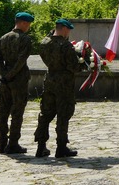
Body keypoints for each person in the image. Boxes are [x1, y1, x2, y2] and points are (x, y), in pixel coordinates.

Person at [34, 18, 84, 158]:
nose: (69, 33)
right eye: (68, 29)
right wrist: (84, 63)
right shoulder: (65, 46)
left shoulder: (44, 43)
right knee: (63, 115)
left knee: (45, 114)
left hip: (49, 81)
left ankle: (41, 147)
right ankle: (61, 148)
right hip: (64, 84)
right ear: (63, 28)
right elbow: (74, 67)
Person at [0, 11, 35, 154]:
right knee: (17, 113)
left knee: (2, 113)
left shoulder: (3, 38)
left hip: (4, 81)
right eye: (28, 24)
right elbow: (21, 60)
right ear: (23, 23)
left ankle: (1, 143)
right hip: (18, 81)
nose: (28, 27)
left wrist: (4, 74)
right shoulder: (25, 40)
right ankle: (13, 144)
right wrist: (11, 75)